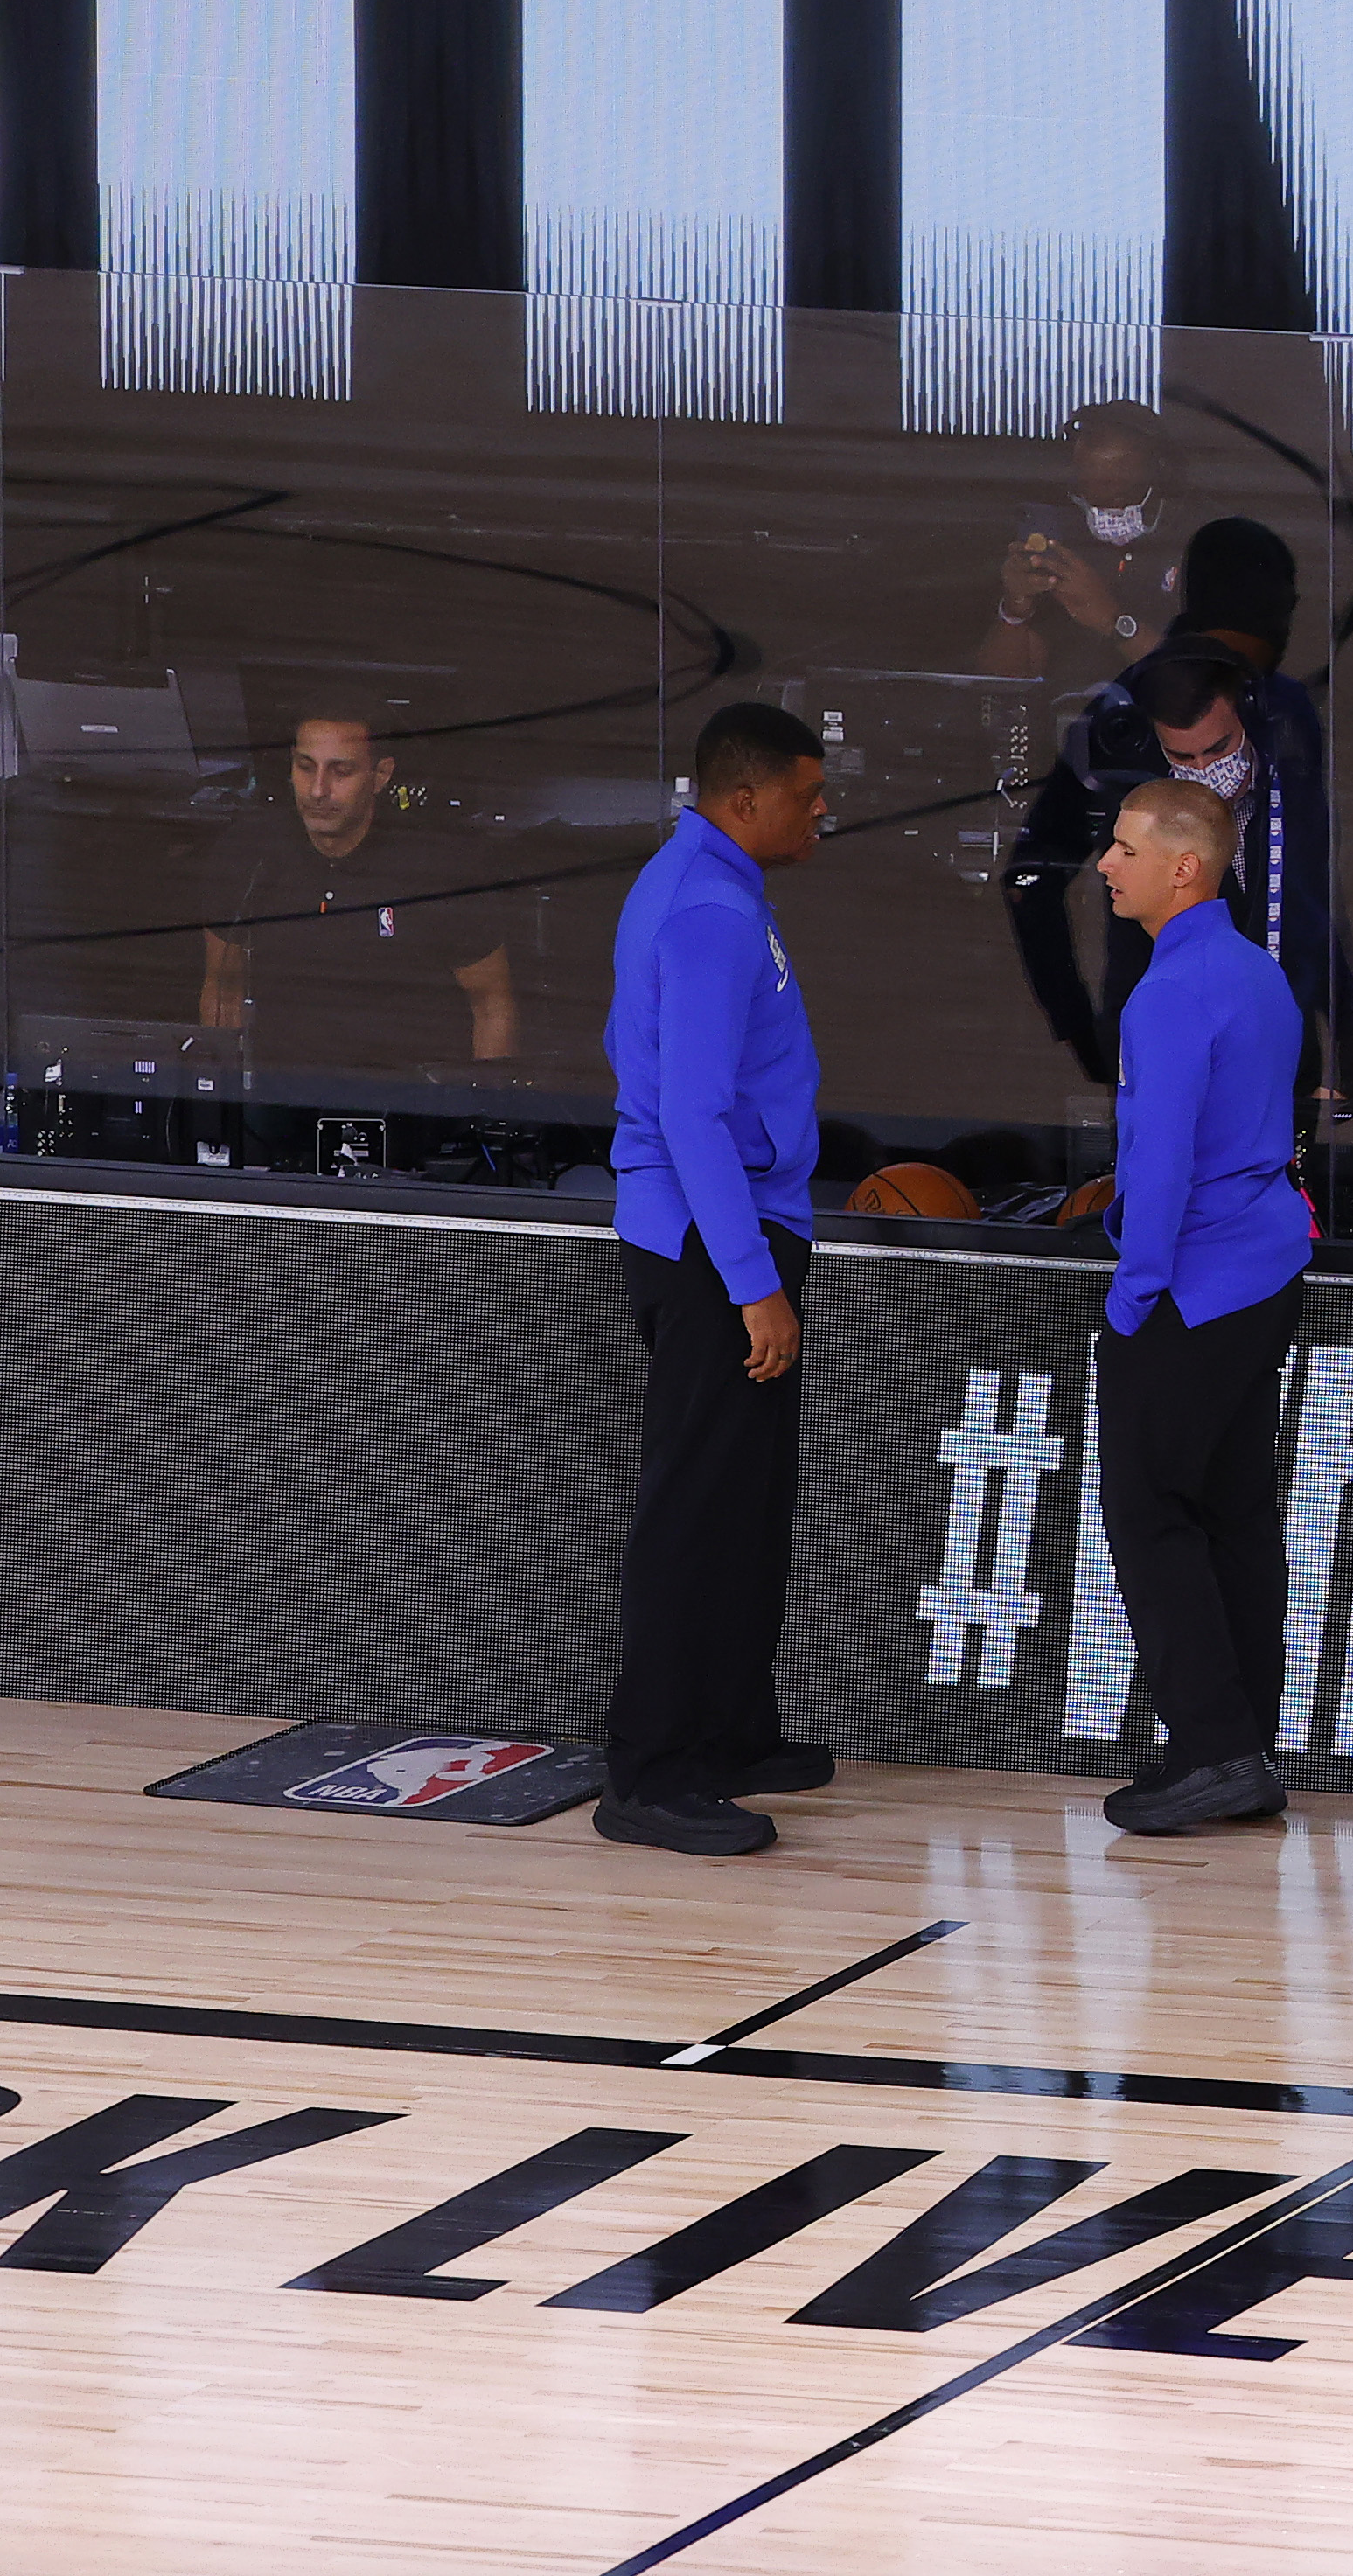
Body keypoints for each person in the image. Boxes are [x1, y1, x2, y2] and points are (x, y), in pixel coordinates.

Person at [596, 705, 833, 1859]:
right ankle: (652, 1770)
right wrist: (751, 1282)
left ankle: (732, 1729)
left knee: (747, 1503)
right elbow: (691, 1111)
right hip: (709, 1246)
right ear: (746, 802)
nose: (821, 808)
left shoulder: (714, 882)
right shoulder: (705, 909)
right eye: (807, 791)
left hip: (729, 1231)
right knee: (694, 1510)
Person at [1086, 776, 1315, 1834]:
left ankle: (1214, 1748)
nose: (1106, 864)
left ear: (1186, 865)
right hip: (1263, 1276)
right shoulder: (1259, 973)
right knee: (1232, 1512)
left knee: (1151, 1512)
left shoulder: (1169, 991)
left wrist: (1132, 1300)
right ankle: (1245, 1743)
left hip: (1189, 1285)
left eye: (1125, 848)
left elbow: (1163, 1166)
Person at [1005, 515, 1353, 1106]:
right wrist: (1086, 1035)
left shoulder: (1286, 712)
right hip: (1164, 1051)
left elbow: (1309, 881)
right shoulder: (1123, 721)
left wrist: (1346, 1032)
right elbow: (1032, 879)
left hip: (1277, 1049)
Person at [196, 710, 517, 1085]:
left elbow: (492, 1004)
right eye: (305, 767)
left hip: (411, 1100)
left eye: (341, 771)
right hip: (281, 1093)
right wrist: (224, 1106)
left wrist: (485, 1116)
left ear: (380, 775)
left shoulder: (440, 864)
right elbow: (223, 989)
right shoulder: (250, 851)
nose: (318, 790)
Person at [976, 400, 1188, 686]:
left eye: (1116, 479)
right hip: (1072, 721)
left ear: (1156, 469)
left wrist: (1112, 620)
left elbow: (1201, 685)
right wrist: (1016, 607)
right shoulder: (1058, 543)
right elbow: (1003, 691)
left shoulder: (1197, 540)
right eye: (1087, 475)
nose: (1099, 494)